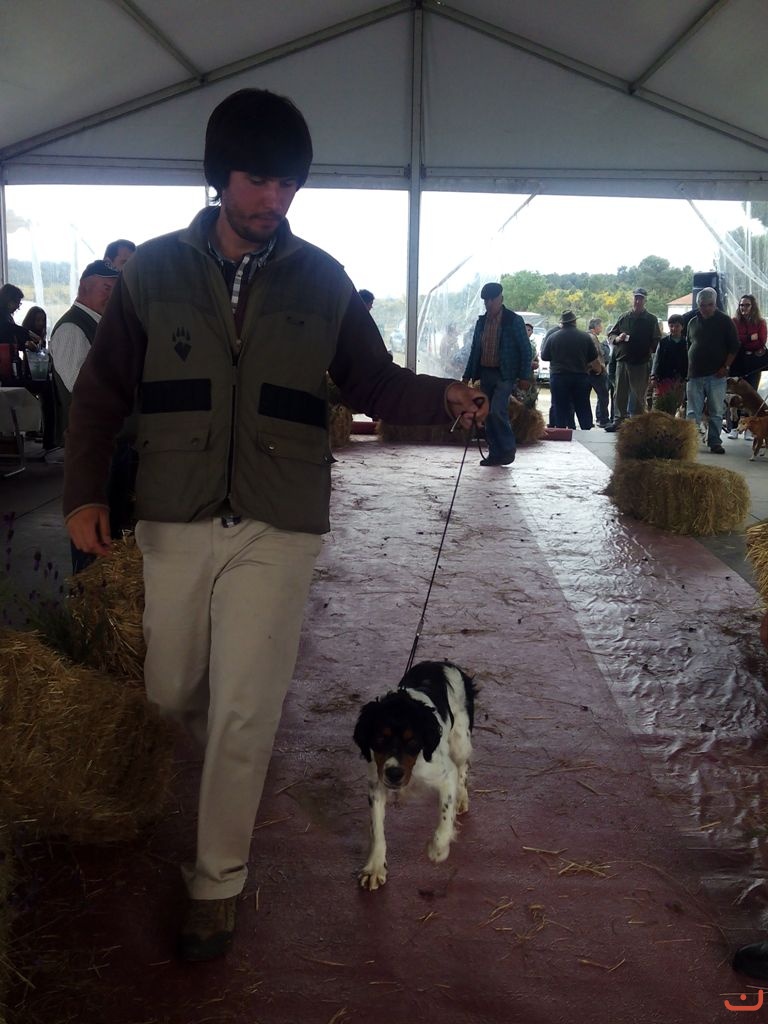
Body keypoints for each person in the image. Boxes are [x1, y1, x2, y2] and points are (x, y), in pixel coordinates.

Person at [62, 88, 487, 963]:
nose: (274, 200)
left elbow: (372, 381)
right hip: (175, 511)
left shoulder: (322, 278)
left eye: (289, 184)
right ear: (220, 177)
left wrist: (441, 395)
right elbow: (101, 393)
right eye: (259, 180)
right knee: (172, 692)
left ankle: (215, 882)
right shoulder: (152, 274)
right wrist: (83, 493)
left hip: (279, 519)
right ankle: (221, 767)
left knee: (246, 710)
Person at [462, 282, 531, 466]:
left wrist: (525, 376)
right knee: (487, 413)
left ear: (501, 298)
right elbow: (475, 351)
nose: (489, 303)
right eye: (486, 300)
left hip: (504, 374)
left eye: (492, 299)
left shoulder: (513, 321)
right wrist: (467, 375)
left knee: (497, 411)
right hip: (486, 372)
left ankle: (507, 450)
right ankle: (495, 453)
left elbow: (525, 350)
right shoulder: (481, 322)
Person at [685, 286, 739, 454]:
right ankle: (690, 442)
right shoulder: (692, 322)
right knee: (692, 411)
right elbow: (689, 345)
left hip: (717, 374)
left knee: (716, 411)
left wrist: (726, 366)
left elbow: (734, 346)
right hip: (694, 374)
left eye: (710, 305)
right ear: (698, 305)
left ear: (715, 304)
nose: (706, 308)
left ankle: (715, 442)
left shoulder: (725, 321)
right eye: (702, 305)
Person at [604, 287, 661, 431]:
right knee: (619, 393)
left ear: (645, 300)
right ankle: (618, 421)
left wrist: (648, 349)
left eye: (641, 298)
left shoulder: (651, 319)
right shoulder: (624, 317)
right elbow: (611, 335)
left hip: (641, 362)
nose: (638, 301)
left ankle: (637, 423)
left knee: (638, 395)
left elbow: (656, 339)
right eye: (636, 298)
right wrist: (618, 338)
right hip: (622, 361)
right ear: (632, 299)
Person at [540, 310, 598, 429]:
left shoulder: (553, 337)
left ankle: (561, 431)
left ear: (562, 323)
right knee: (583, 407)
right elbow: (593, 355)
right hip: (580, 376)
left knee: (559, 407)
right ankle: (586, 431)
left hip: (559, 377)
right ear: (574, 322)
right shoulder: (585, 337)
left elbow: (545, 356)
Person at [650, 314, 687, 411]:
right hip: (663, 379)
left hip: (680, 380)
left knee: (676, 406)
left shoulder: (686, 343)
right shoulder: (663, 342)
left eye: (677, 326)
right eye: (671, 326)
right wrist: (653, 376)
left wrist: (684, 378)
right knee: (660, 406)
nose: (674, 328)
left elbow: (688, 362)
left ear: (682, 327)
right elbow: (657, 360)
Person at [730, 294, 767, 392]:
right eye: (741, 305)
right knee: (736, 390)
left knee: (751, 391)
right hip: (737, 361)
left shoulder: (760, 322)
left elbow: (761, 342)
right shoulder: (734, 321)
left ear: (753, 306)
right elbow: (733, 339)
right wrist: (750, 338)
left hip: (753, 363)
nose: (744, 307)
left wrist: (742, 342)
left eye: (747, 305)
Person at [587, 317, 610, 426]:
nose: (602, 328)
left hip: (587, 371)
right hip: (595, 372)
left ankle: (589, 420)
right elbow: (594, 355)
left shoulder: (586, 336)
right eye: (600, 326)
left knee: (586, 398)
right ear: (595, 326)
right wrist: (599, 369)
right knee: (603, 396)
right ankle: (603, 419)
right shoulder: (592, 337)